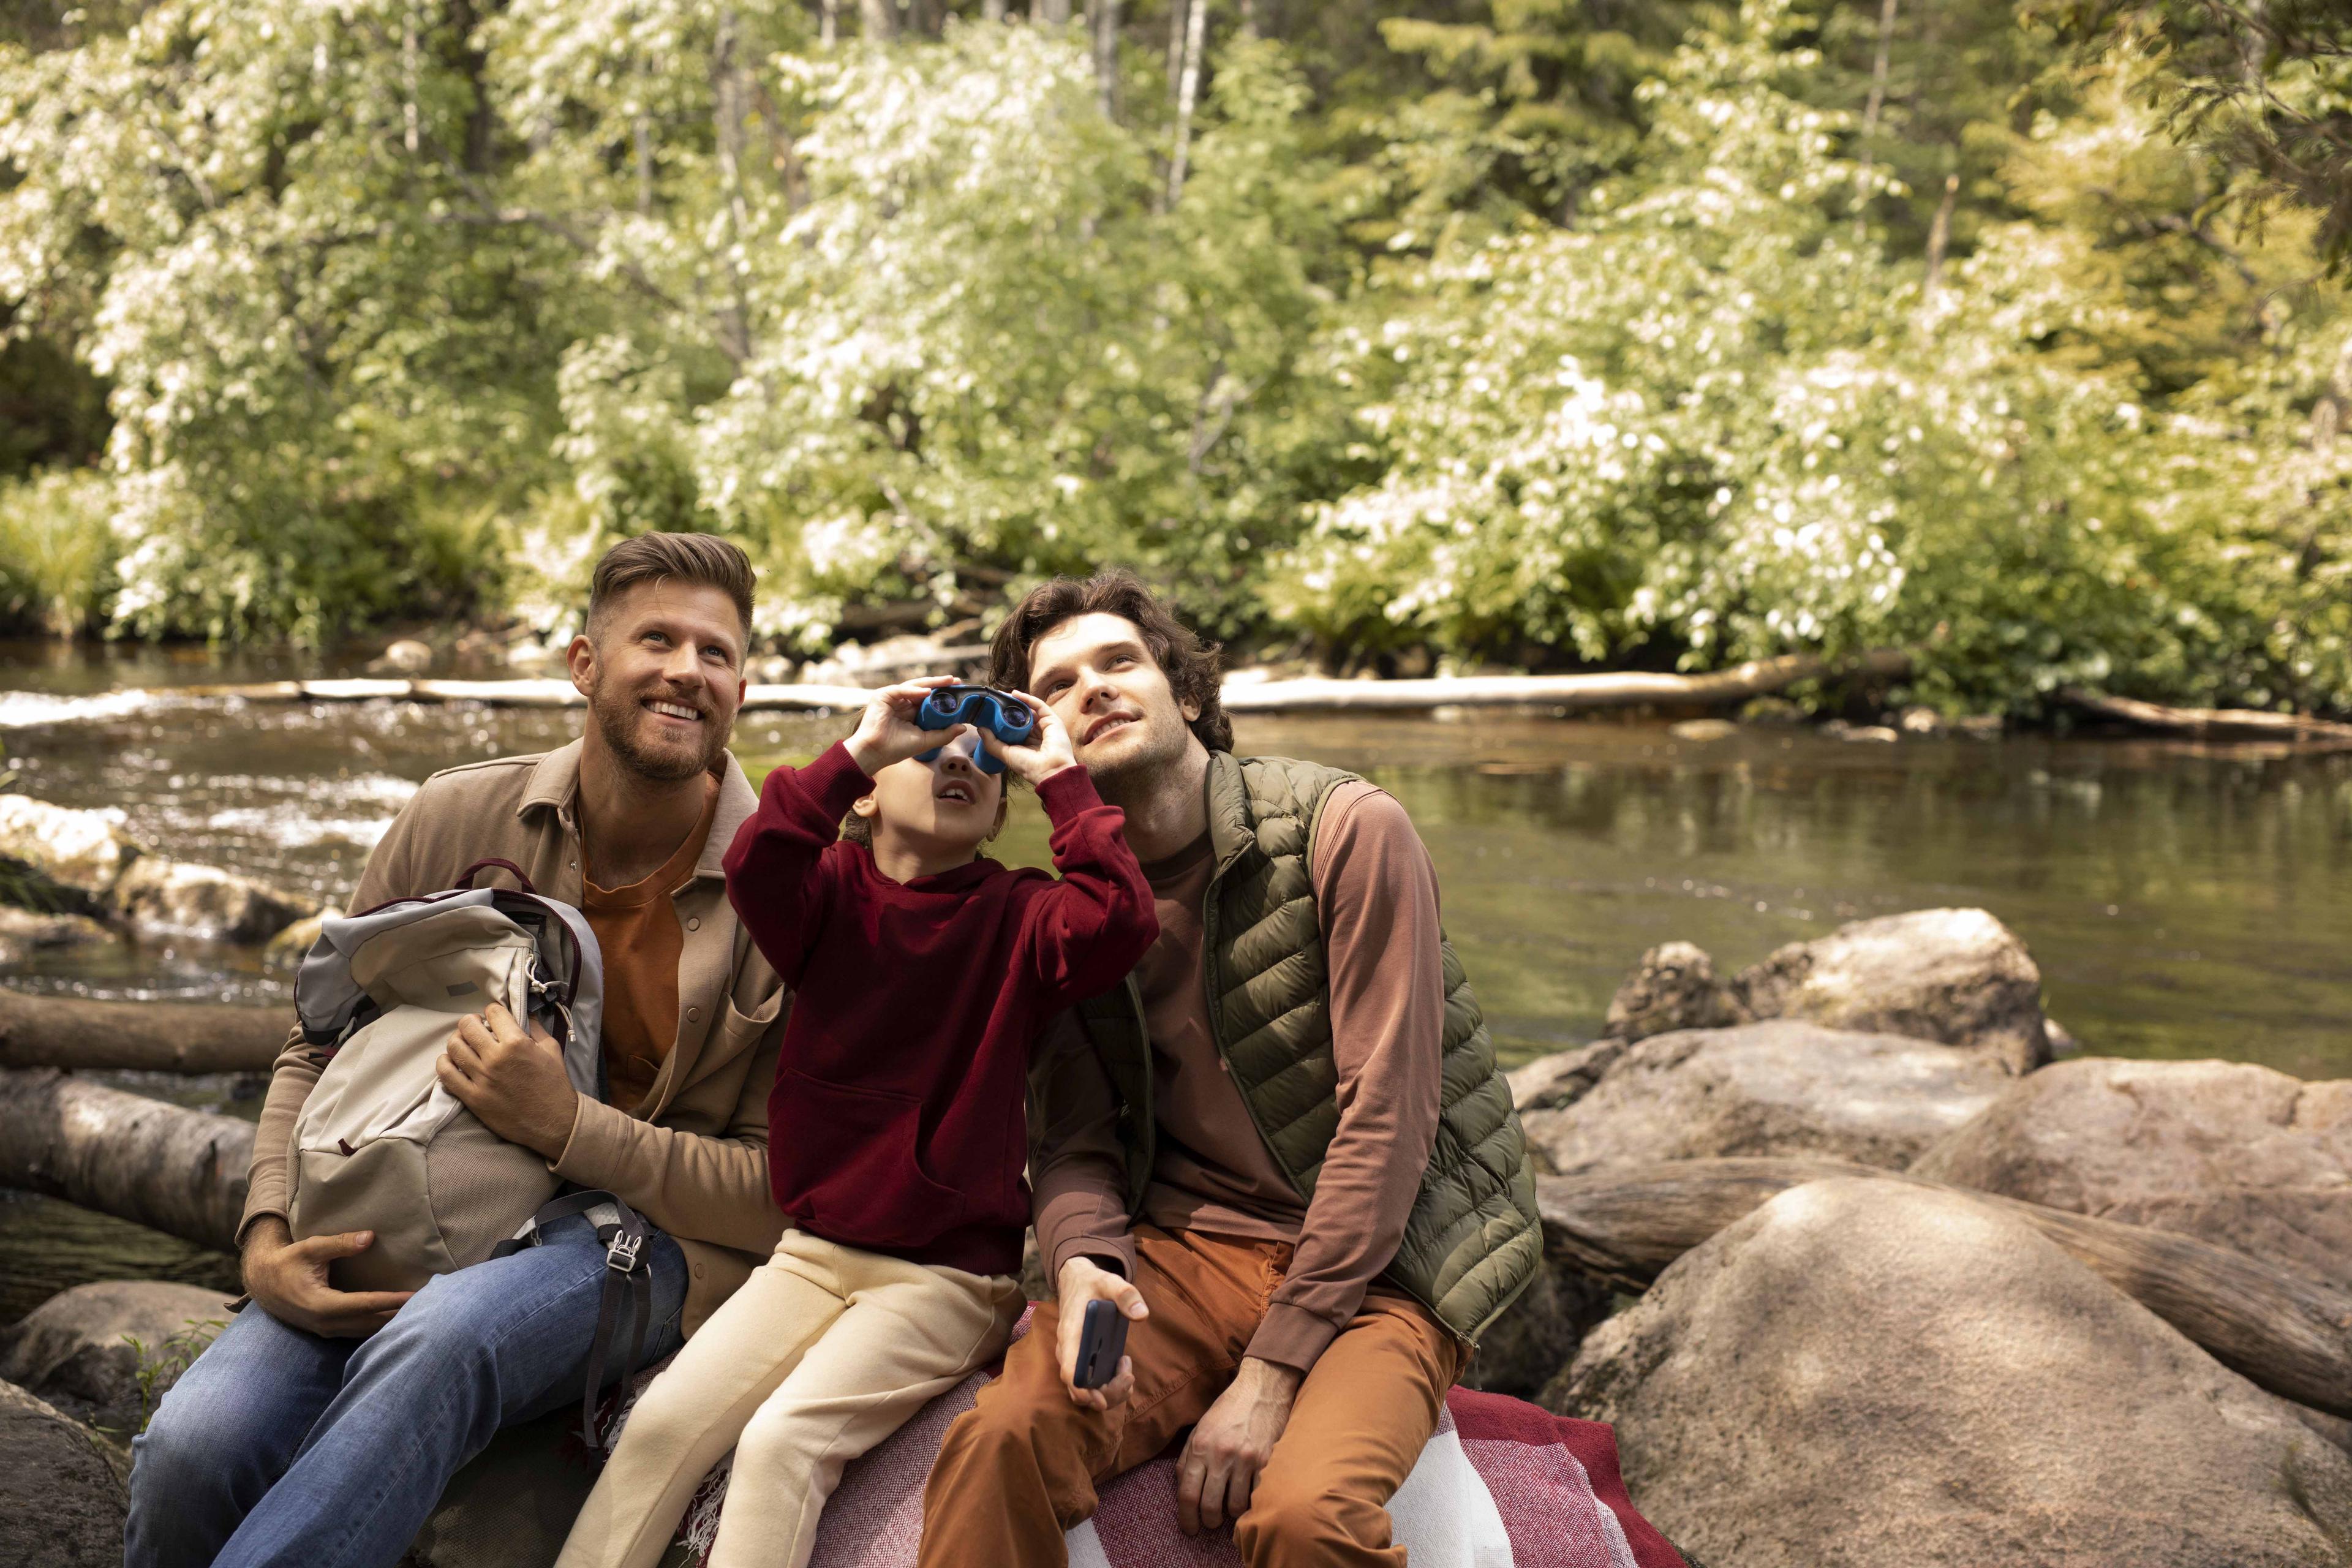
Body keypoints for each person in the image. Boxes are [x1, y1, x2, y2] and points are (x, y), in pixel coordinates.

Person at [128, 533, 792, 1568]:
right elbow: (315, 1048)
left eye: (715, 653)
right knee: (192, 1449)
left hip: (644, 1242)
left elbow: (777, 1195)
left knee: (447, 1340)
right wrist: (262, 1237)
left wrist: (570, 1128)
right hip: (409, 1199)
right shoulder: (455, 815)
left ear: (741, 688)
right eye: (655, 639)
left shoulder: (793, 891)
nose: (686, 671)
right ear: (584, 664)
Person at [916, 569, 1544, 1568]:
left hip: (1384, 1270)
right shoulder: (1071, 910)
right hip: (1181, 1262)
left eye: (1121, 662)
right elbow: (1074, 1142)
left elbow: (1389, 1123)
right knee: (1001, 1442)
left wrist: (1270, 1375)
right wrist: (1085, 1265)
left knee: (1305, 1517)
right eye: (1062, 685)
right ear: (1044, 745)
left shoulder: (1346, 831)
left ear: (1190, 694)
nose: (1097, 688)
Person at [552, 677, 1158, 1568]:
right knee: (663, 1426)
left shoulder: (1020, 916)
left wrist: (1061, 775)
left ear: (998, 816)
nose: (960, 758)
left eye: (987, 763)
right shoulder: (824, 896)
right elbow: (760, 858)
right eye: (932, 748)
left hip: (946, 1281)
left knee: (781, 1443)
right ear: (868, 792)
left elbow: (1121, 917)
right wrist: (859, 748)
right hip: (808, 1253)